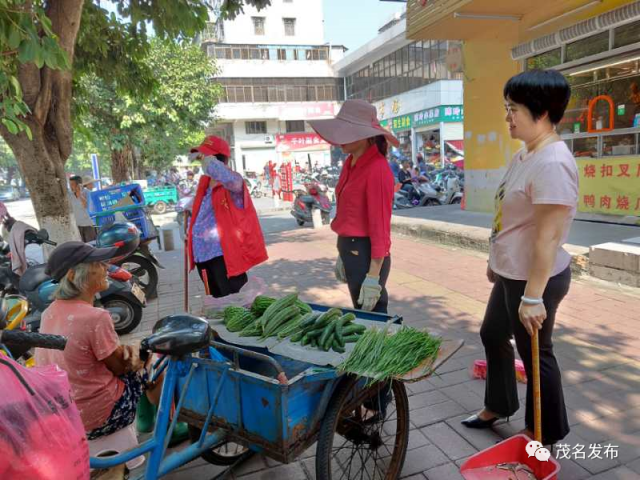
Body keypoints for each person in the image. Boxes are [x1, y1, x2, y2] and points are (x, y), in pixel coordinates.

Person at [461, 70, 576, 446]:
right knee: (492, 332)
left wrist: (532, 296)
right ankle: (499, 404)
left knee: (536, 355)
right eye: (506, 109)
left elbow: (548, 236)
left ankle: (543, 432)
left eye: (513, 110)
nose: (507, 117)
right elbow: (509, 216)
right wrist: (497, 258)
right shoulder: (526, 154)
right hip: (513, 271)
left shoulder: (553, 163)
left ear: (540, 112)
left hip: (535, 278)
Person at [35, 241, 163, 440]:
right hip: (99, 417)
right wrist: (141, 352)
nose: (106, 268)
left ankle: (147, 421)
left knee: (139, 356)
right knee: (156, 363)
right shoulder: (95, 317)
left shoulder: (48, 313)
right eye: (98, 264)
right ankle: (170, 426)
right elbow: (120, 367)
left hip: (67, 414)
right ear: (73, 276)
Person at [309, 100, 396, 313]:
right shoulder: (350, 163)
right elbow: (350, 214)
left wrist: (373, 276)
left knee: (372, 316)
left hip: (366, 252)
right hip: (351, 247)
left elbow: (380, 226)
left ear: (366, 136)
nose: (340, 138)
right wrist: (343, 251)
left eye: (348, 132)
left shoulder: (377, 168)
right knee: (360, 312)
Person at [187, 135, 268, 298]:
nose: (202, 160)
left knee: (233, 300)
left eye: (206, 156)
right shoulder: (205, 184)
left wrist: (211, 164)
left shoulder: (232, 182)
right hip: (202, 256)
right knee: (214, 300)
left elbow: (233, 182)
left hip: (223, 256)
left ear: (218, 160)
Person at [68, 175, 97, 242]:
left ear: (79, 185)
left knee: (91, 244)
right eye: (70, 184)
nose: (70, 186)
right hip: (77, 225)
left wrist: (79, 195)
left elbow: (86, 206)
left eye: (72, 184)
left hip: (88, 224)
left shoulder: (87, 192)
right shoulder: (69, 194)